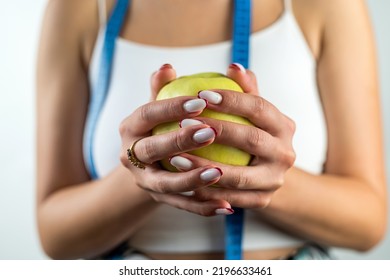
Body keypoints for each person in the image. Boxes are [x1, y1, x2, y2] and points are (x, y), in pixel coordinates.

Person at [36, 0, 386, 260]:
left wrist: (268, 180)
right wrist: (139, 174)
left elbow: (369, 222)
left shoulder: (326, 5)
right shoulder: (81, 7)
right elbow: (55, 235)